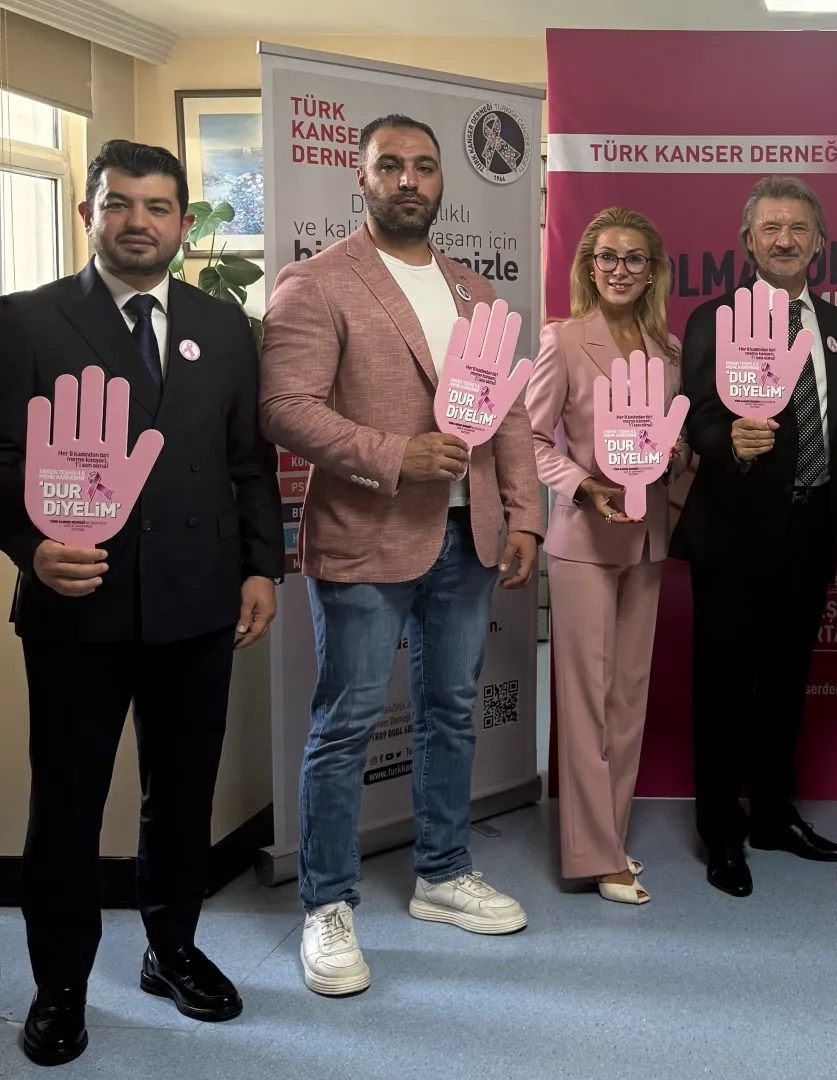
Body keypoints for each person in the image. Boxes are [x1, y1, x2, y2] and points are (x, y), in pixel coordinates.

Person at [0, 140, 281, 1065]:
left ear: (184, 223)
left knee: (182, 795)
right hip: (77, 605)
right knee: (68, 805)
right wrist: (30, 548)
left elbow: (248, 462)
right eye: (118, 203)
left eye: (158, 207)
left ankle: (172, 949)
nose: (137, 222)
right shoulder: (26, 320)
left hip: (198, 601)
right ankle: (60, 985)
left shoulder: (223, 326)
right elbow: (0, 457)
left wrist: (261, 569)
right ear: (90, 213)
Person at [260, 114, 542, 997]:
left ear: (442, 181)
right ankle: (327, 903)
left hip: (470, 536)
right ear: (362, 177)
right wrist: (395, 454)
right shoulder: (318, 282)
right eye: (391, 166)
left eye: (424, 166)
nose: (409, 180)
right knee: (346, 721)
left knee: (451, 709)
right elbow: (285, 407)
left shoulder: (472, 289)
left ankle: (443, 872)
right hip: (366, 531)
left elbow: (510, 411)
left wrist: (525, 516)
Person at [672, 175, 837, 897]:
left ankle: (775, 816)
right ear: (748, 242)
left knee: (787, 683)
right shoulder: (715, 318)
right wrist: (729, 440)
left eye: (798, 228)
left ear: (819, 242)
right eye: (771, 228)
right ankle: (723, 833)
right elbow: (695, 413)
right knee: (724, 689)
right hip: (732, 530)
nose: (785, 240)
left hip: (811, 530)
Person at [524, 207, 689, 905]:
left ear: (652, 272)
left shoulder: (668, 349)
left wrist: (675, 455)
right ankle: (593, 853)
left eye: (634, 258)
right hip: (584, 540)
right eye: (608, 257)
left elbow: (673, 439)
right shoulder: (563, 340)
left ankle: (609, 836)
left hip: (646, 537)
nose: (620, 269)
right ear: (590, 267)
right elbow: (530, 441)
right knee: (586, 698)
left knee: (628, 695)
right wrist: (583, 485)